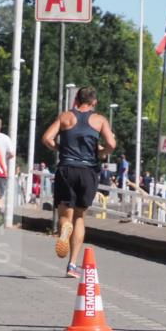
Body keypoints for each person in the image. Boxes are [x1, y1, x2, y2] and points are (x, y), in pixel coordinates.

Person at [41, 86, 117, 277]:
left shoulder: (65, 117)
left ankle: (64, 228)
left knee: (66, 216)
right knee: (80, 216)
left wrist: (61, 148)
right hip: (87, 171)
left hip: (66, 168)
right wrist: (100, 153)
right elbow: (111, 144)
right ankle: (72, 265)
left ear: (76, 99)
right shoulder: (99, 120)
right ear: (94, 102)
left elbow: (47, 138)